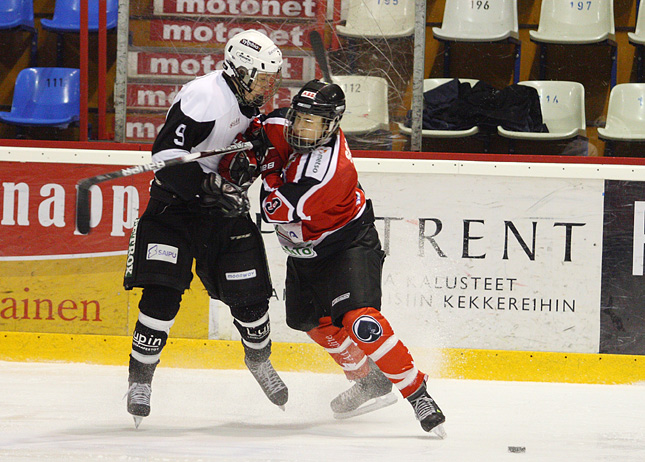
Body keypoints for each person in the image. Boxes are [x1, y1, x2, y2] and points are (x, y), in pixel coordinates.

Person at [256, 79, 446, 435]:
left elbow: (273, 209)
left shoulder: (329, 173)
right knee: (308, 321)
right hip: (304, 254)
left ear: (331, 126)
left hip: (346, 245)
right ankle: (369, 381)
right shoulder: (285, 124)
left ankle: (417, 393)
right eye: (299, 118)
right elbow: (261, 126)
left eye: (312, 123)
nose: (300, 128)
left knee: (360, 321)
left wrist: (265, 163)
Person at [123, 29, 288, 428]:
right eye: (263, 78)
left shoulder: (247, 99)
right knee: (162, 296)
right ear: (240, 70)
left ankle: (259, 360)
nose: (268, 86)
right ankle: (139, 380)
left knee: (250, 299)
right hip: (175, 208)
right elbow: (165, 155)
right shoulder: (205, 96)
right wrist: (208, 187)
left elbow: (245, 139)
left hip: (221, 211)